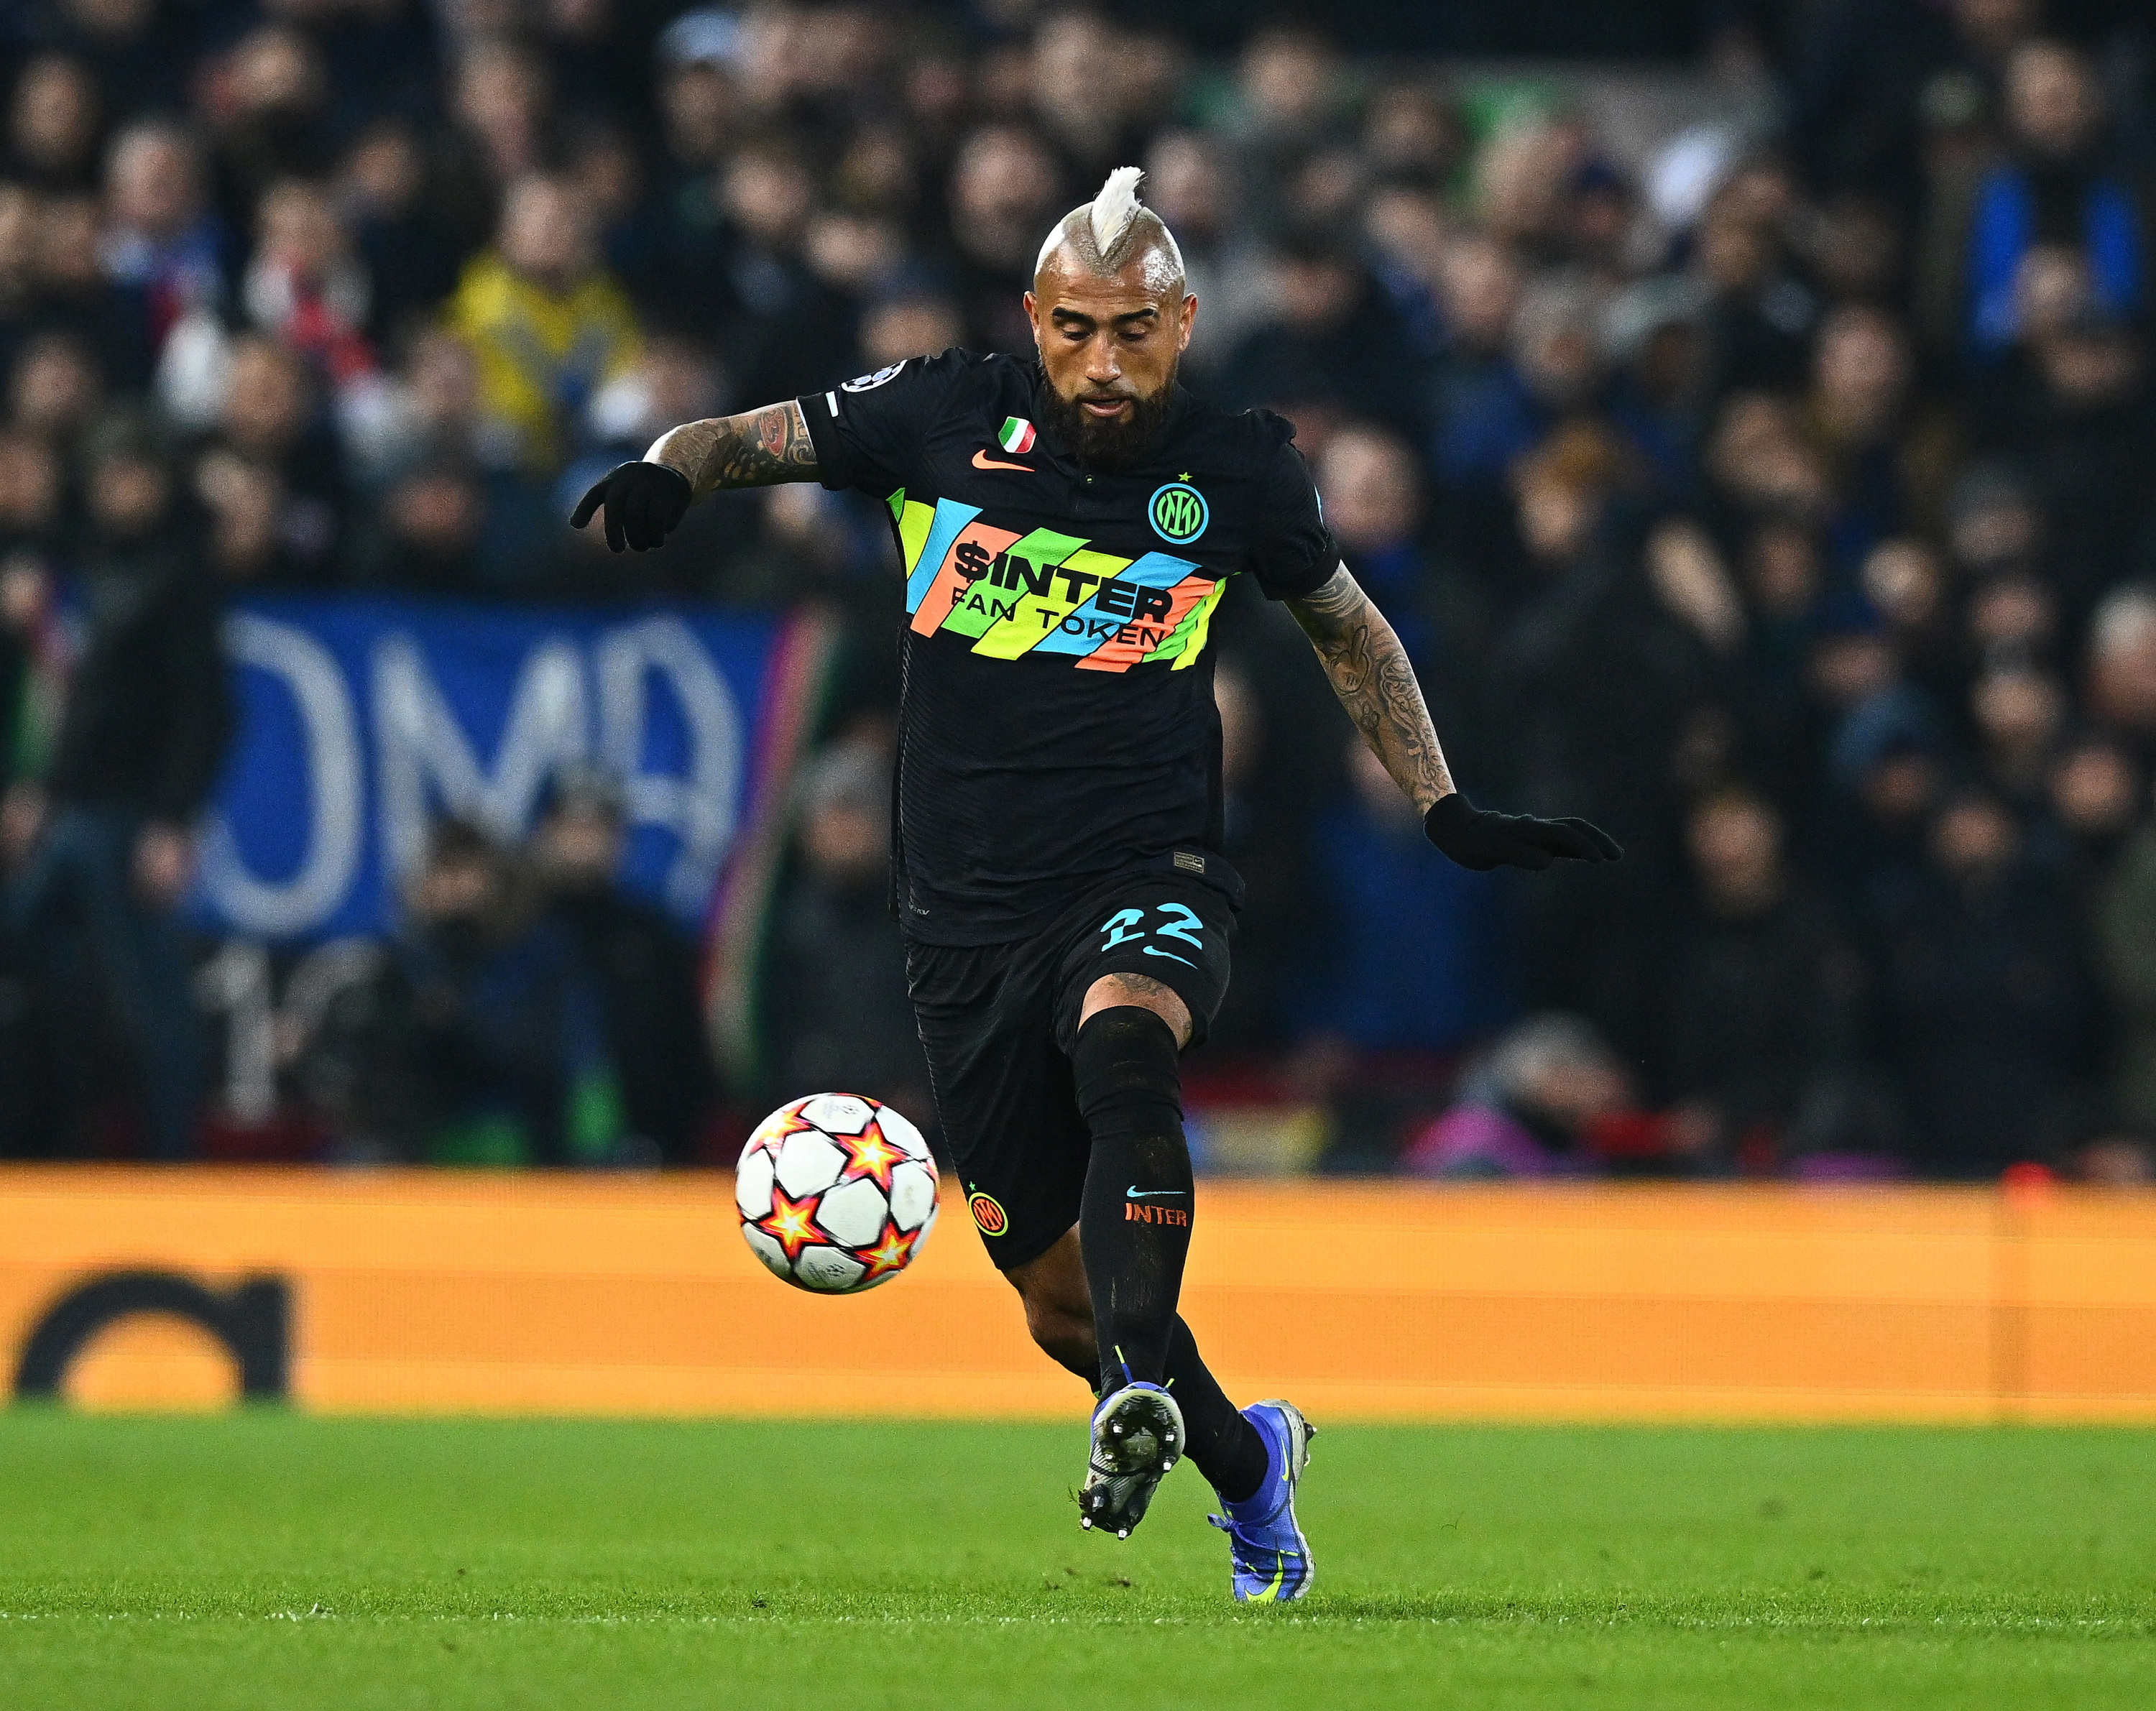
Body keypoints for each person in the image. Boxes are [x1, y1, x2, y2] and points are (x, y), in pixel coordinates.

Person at [571, 167, 1620, 1602]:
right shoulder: (939, 411)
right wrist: (668, 469)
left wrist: (1443, 802)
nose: (1104, 363)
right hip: (963, 912)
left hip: (1146, 860)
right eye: (1075, 330)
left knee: (1128, 1039)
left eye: (1134, 331)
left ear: (1183, 323)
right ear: (1035, 319)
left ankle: (1135, 1388)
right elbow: (746, 437)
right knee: (1061, 1307)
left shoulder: (1239, 468)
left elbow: (1347, 628)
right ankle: (1243, 1460)